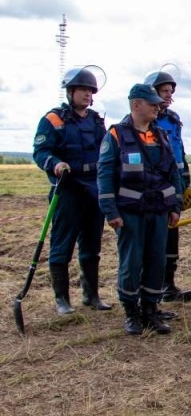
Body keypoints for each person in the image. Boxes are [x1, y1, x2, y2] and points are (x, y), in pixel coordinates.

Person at [97, 84, 182, 335]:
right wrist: (110, 211)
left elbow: (173, 174)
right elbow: (104, 177)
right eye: (152, 103)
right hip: (130, 212)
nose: (158, 107)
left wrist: (175, 206)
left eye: (158, 103)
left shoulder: (161, 135)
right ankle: (131, 312)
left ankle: (150, 310)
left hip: (158, 211)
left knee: (157, 261)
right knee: (131, 262)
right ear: (136, 105)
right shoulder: (115, 135)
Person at [32, 65, 112, 315]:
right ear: (70, 91)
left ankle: (91, 295)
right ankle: (62, 300)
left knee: (91, 245)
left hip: (93, 190)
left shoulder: (97, 121)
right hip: (67, 190)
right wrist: (56, 164)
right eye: (83, 90)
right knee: (62, 245)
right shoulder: (53, 119)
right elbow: (41, 152)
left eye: (91, 91)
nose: (88, 95)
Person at [145, 67, 191, 305]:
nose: (168, 95)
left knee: (172, 235)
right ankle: (151, 290)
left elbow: (179, 151)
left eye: (170, 91)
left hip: (173, 186)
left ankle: (168, 285)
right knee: (154, 240)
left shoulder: (173, 120)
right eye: (163, 90)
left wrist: (185, 176)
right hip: (152, 188)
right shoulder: (145, 119)